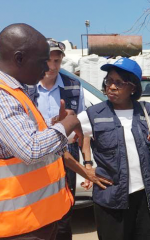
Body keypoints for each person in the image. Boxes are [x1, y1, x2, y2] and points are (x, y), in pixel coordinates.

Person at [0, 24, 84, 239]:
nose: (46, 68)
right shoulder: (3, 97)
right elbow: (30, 148)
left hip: (38, 219)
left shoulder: (17, 91)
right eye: (41, 61)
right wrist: (66, 125)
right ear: (19, 58)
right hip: (20, 228)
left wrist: (55, 125)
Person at [76, 58, 150, 240]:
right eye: (109, 81)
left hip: (147, 199)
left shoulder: (148, 111)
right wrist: (86, 170)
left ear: (133, 88)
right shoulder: (92, 114)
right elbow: (60, 143)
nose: (111, 87)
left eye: (119, 82)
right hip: (110, 201)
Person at [25, 38, 86, 240]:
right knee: (38, 211)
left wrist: (86, 162)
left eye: (57, 61)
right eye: (48, 61)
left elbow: (81, 124)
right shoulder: (27, 88)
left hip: (67, 156)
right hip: (38, 157)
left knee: (65, 211)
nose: (52, 66)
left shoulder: (73, 86)